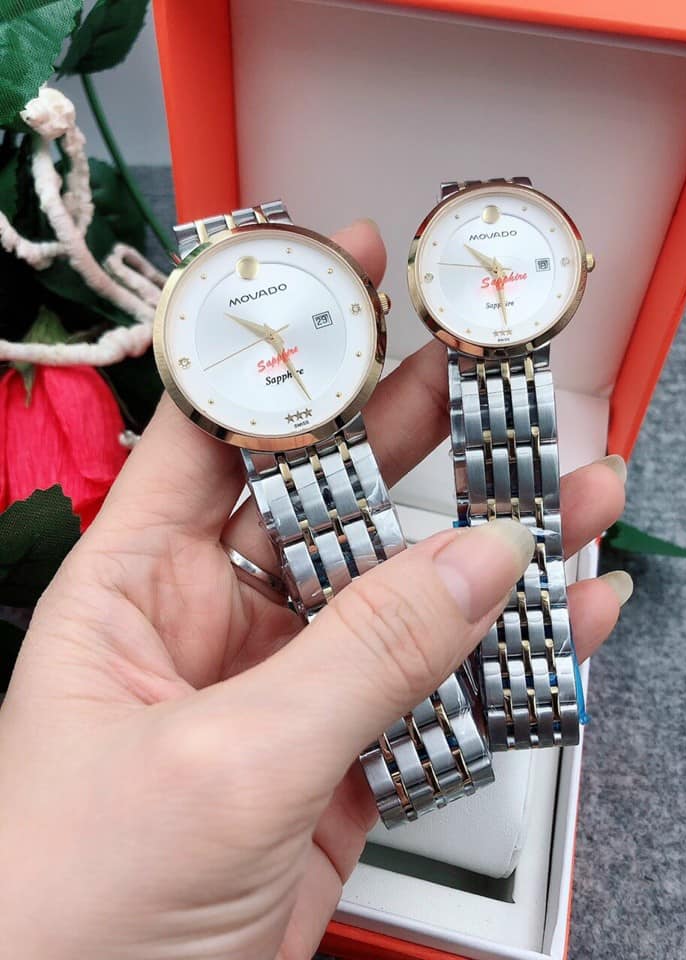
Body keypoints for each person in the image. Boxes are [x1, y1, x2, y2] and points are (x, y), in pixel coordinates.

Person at [0, 221, 629, 960]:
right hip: (291, 437)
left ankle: (445, 758)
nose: (273, 333)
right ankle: (437, 764)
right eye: (254, 331)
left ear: (368, 322)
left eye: (285, 323)